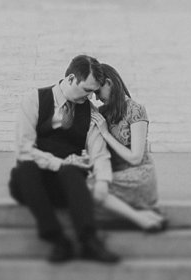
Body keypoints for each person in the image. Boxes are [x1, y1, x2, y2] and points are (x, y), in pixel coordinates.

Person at [8, 54, 121, 264]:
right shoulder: (34, 99)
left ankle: (89, 241)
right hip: (32, 183)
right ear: (70, 79)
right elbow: (24, 148)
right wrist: (59, 163)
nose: (89, 97)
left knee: (72, 172)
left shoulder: (90, 112)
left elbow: (99, 151)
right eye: (87, 90)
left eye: (93, 92)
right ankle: (58, 239)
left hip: (66, 186)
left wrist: (103, 180)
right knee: (26, 168)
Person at [90, 63, 166, 232]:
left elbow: (135, 157)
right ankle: (147, 217)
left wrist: (106, 134)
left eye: (97, 91)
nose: (96, 97)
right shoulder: (102, 112)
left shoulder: (135, 110)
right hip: (116, 174)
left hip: (139, 174)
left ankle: (143, 219)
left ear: (109, 83)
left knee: (90, 188)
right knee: (84, 188)